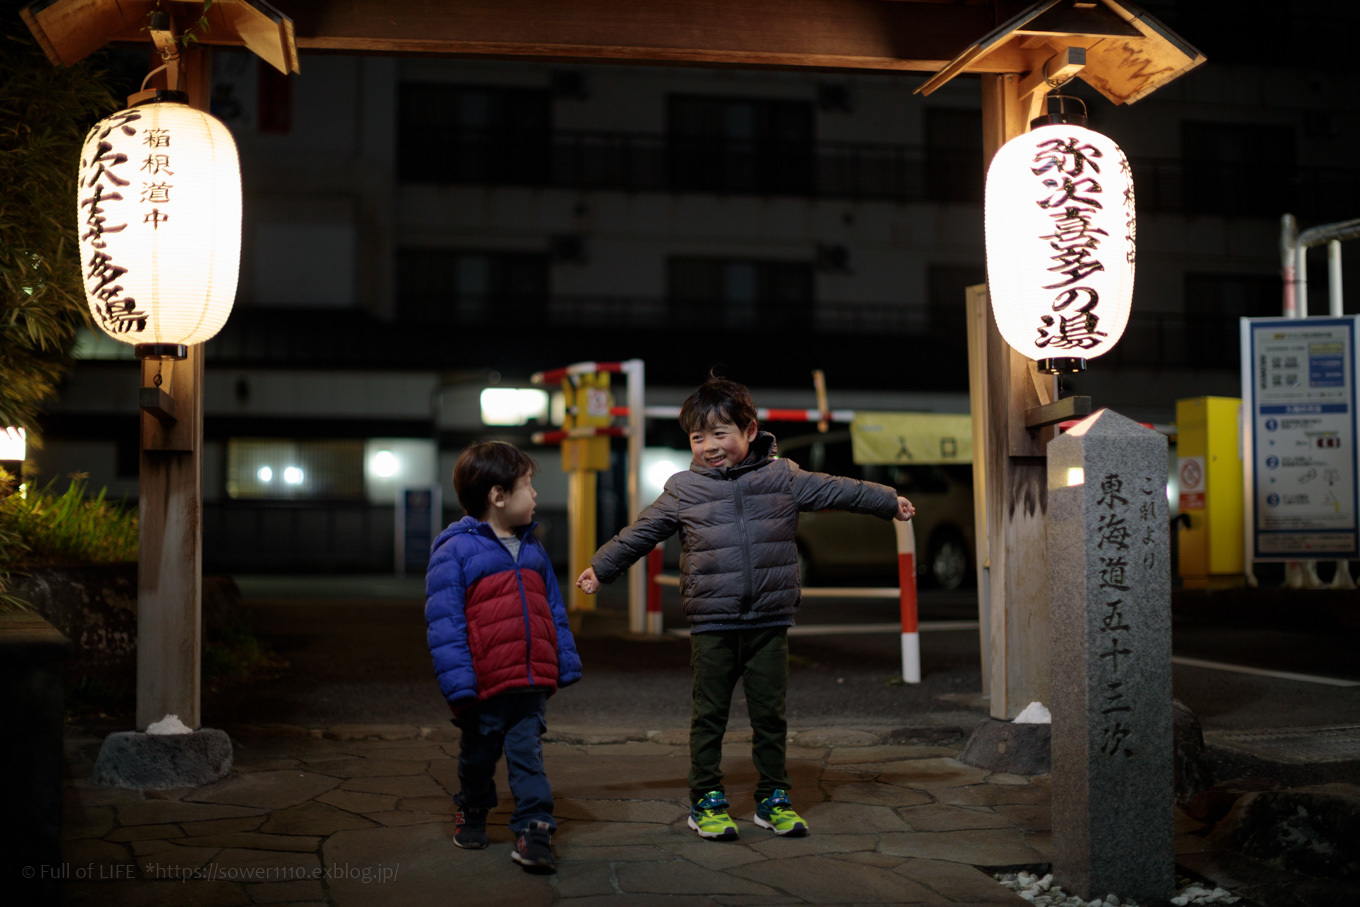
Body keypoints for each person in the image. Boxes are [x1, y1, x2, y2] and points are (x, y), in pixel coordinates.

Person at [576, 375, 914, 841]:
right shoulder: (682, 490)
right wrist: (601, 567)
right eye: (698, 438)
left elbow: (837, 489)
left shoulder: (782, 477)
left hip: (769, 619)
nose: (709, 447)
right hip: (713, 622)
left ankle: (773, 797)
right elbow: (642, 531)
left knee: (769, 715)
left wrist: (885, 501)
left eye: (720, 434)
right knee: (710, 713)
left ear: (749, 431)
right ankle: (706, 799)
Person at [425, 441, 582, 873]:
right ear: (497, 496)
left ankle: (534, 828)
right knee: (478, 757)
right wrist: (459, 684)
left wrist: (564, 660)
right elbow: (445, 623)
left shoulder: (533, 549)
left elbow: (553, 608)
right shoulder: (454, 550)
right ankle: (473, 808)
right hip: (484, 682)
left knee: (527, 754)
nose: (534, 496)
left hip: (529, 681)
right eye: (527, 486)